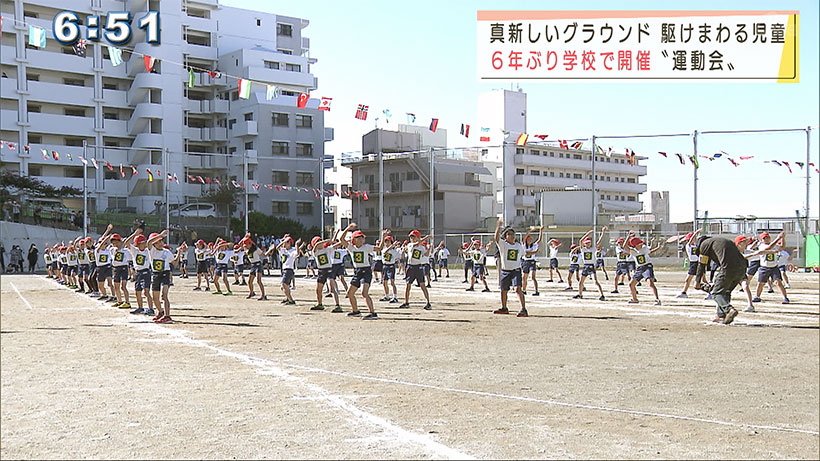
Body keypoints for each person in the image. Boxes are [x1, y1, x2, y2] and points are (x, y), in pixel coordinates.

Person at [694, 234, 775, 324]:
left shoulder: (704, 245)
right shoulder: (718, 242)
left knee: (716, 292)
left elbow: (701, 265)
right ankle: (721, 316)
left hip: (728, 268)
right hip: (742, 267)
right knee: (725, 291)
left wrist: (697, 281)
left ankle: (728, 310)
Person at [337, 223, 378, 319]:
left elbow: (379, 248)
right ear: (353, 240)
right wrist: (348, 229)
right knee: (350, 293)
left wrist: (383, 238)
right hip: (357, 271)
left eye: (362, 238)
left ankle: (372, 313)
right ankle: (355, 311)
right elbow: (341, 239)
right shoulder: (351, 248)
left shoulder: (366, 247)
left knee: (364, 293)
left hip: (366, 271)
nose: (360, 240)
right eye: (358, 238)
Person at [492, 218, 527, 317]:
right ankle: (504, 307)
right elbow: (496, 238)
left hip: (515, 271)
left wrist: (533, 253)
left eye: (512, 234)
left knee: (517, 289)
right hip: (505, 271)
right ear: (505, 236)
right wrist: (498, 227)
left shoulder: (518, 246)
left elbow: (524, 254)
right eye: (509, 234)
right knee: (503, 290)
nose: (511, 236)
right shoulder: (503, 245)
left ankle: (523, 308)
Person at [147, 230, 183, 323]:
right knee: (155, 297)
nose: (160, 243)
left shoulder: (166, 252)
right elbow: (149, 242)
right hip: (156, 274)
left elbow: (174, 262)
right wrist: (160, 235)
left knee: (164, 295)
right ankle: (160, 312)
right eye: (157, 242)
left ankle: (167, 315)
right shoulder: (152, 251)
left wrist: (179, 252)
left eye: (161, 241)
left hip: (165, 274)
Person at [123, 229, 155, 316]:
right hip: (138, 273)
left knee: (146, 291)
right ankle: (140, 307)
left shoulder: (147, 251)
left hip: (145, 272)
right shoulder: (135, 251)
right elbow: (126, 242)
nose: (144, 244)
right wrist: (134, 234)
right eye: (141, 243)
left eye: (144, 243)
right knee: (137, 291)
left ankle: (151, 308)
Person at [752, 232, 790, 304]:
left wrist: (782, 238)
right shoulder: (761, 245)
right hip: (764, 267)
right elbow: (768, 248)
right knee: (761, 283)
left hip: (774, 267)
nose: (766, 239)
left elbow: (782, 247)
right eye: (764, 238)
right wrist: (778, 238)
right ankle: (757, 296)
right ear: (761, 240)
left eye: (768, 237)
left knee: (778, 282)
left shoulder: (774, 245)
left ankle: (785, 298)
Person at [399, 229, 432, 310]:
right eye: (411, 237)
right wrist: (426, 238)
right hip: (410, 267)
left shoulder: (422, 247)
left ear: (418, 237)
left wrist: (429, 248)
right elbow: (415, 244)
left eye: (414, 237)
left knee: (422, 285)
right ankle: (406, 302)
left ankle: (428, 302)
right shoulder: (410, 245)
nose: (412, 239)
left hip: (419, 267)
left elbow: (426, 254)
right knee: (408, 285)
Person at [309, 234, 343, 312]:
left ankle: (337, 305)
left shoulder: (327, 249)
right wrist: (328, 240)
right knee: (318, 289)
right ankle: (320, 304)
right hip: (321, 271)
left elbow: (337, 245)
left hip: (329, 270)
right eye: (318, 242)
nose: (320, 243)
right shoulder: (315, 252)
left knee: (332, 288)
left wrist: (343, 242)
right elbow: (316, 246)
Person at [626, 234, 663, 305]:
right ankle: (635, 299)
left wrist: (658, 247)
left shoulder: (644, 248)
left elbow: (650, 251)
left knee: (650, 283)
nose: (641, 244)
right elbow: (624, 246)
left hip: (647, 267)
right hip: (639, 269)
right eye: (639, 243)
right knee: (631, 284)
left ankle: (657, 299)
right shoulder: (633, 251)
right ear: (635, 245)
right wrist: (628, 237)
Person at [271, 235, 299, 305]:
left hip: (289, 269)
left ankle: (291, 300)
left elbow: (297, 253)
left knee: (284, 284)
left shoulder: (292, 250)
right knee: (285, 287)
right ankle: (287, 298)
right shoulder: (284, 250)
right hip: (284, 270)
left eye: (286, 243)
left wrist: (297, 245)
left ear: (289, 243)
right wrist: (283, 241)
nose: (284, 244)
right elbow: (277, 248)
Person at [107, 233, 132, 309]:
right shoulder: (112, 250)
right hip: (116, 268)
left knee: (123, 286)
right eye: (113, 243)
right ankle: (119, 301)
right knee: (116, 286)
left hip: (123, 268)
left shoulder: (126, 251)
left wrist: (122, 245)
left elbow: (129, 258)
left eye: (117, 242)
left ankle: (127, 302)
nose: (115, 244)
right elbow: (115, 250)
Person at [676, 229, 702, 298]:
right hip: (693, 263)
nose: (694, 239)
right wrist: (696, 232)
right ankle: (684, 292)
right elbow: (690, 241)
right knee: (688, 279)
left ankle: (711, 293)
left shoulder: (696, 245)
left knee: (702, 279)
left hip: (698, 263)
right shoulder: (688, 245)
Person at [242, 234, 268, 300]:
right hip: (253, 265)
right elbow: (241, 244)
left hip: (258, 265)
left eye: (247, 245)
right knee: (249, 281)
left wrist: (269, 251)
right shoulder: (247, 249)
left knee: (258, 281)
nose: (246, 246)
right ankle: (251, 293)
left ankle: (263, 295)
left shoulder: (256, 249)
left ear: (250, 244)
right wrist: (245, 237)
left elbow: (264, 255)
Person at [379, 232, 401, 303]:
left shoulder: (393, 251)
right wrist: (391, 246)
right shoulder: (384, 249)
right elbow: (384, 252)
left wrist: (399, 249)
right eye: (385, 241)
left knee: (392, 282)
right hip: (385, 266)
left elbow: (399, 256)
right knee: (384, 282)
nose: (386, 243)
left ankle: (395, 297)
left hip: (391, 266)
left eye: (388, 241)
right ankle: (387, 295)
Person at [521, 226, 543, 296]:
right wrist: (529, 232)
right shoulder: (524, 246)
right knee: (524, 277)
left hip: (532, 261)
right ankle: (524, 290)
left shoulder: (534, 245)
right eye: (529, 240)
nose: (530, 241)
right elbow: (524, 240)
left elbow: (539, 240)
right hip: (525, 262)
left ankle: (536, 291)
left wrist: (541, 231)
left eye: (531, 240)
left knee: (533, 277)